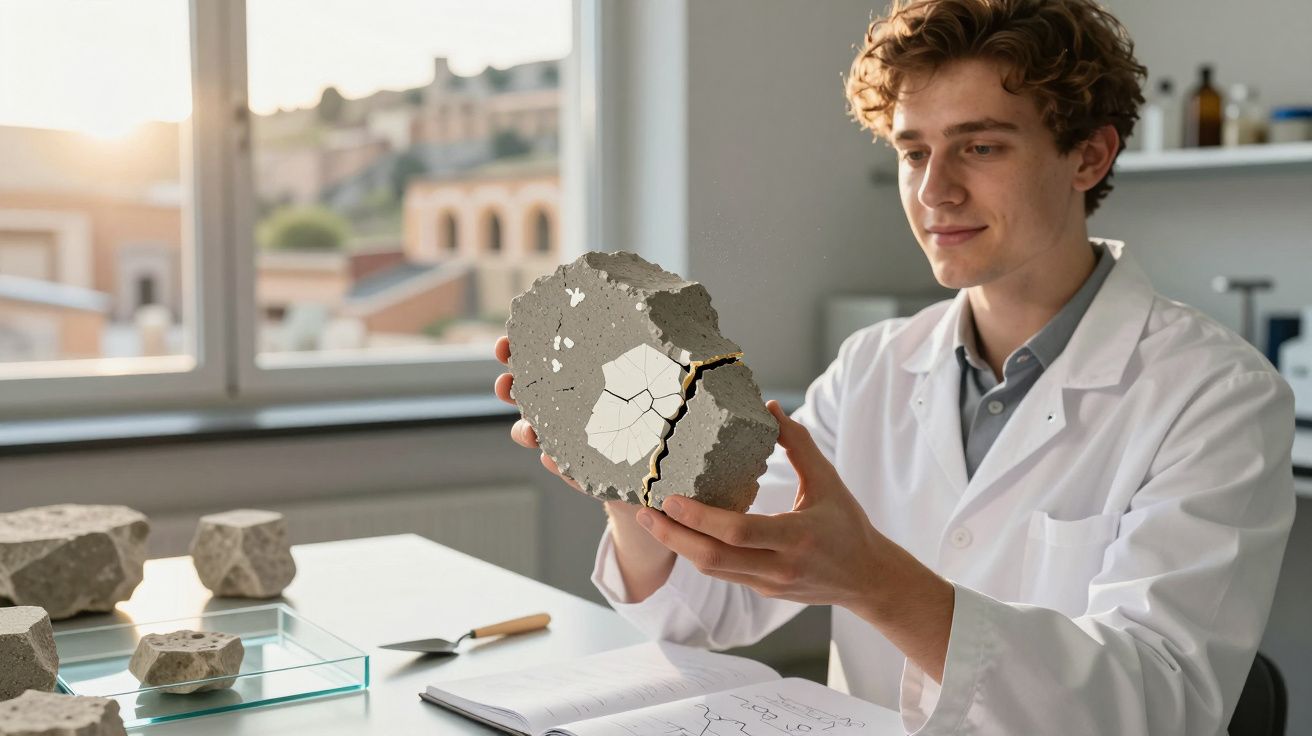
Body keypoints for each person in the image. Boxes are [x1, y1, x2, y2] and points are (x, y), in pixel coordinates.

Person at [493, 0, 1295, 732]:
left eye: (980, 146)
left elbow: (1161, 705)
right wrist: (636, 486)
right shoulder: (876, 365)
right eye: (914, 152)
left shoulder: (1216, 395)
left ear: (1088, 156)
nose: (935, 191)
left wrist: (877, 581)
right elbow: (707, 610)